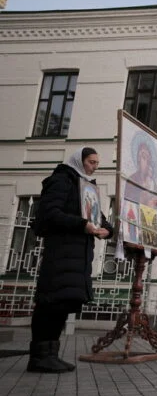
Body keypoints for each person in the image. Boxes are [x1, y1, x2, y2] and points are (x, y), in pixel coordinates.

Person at [27, 147, 113, 373]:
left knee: (64, 303)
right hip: (61, 252)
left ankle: (50, 354)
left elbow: (98, 217)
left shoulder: (86, 186)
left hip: (79, 255)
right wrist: (81, 225)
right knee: (51, 303)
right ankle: (39, 356)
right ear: (80, 160)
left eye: (96, 163)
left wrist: (107, 230)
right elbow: (49, 214)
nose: (95, 167)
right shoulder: (61, 180)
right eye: (91, 162)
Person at [123, 133, 157, 214]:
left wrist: (154, 203)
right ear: (138, 159)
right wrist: (143, 195)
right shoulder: (132, 179)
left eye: (146, 157)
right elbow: (128, 202)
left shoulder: (153, 184)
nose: (145, 162)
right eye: (142, 157)